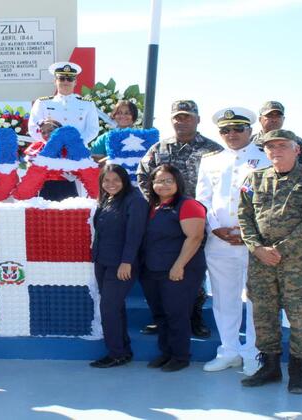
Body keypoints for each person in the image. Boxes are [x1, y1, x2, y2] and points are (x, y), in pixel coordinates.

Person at [238, 129, 302, 394]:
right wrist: (256, 248)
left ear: (296, 149)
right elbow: (244, 216)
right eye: (270, 147)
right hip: (261, 261)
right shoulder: (254, 179)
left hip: (297, 261)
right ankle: (269, 367)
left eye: (282, 146)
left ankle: (298, 371)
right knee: (264, 313)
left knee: (301, 315)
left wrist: (281, 248)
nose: (275, 151)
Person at [136, 99, 222, 338]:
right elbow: (144, 175)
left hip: (197, 218)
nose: (181, 121)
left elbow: (224, 184)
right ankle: (162, 318)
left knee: (192, 270)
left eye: (186, 116)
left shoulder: (213, 150)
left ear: (197, 119)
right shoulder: (159, 148)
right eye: (177, 117)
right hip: (166, 218)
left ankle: (193, 317)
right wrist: (157, 203)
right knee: (159, 269)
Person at [196, 107, 271, 376]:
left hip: (252, 242)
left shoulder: (264, 159)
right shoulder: (210, 161)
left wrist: (247, 232)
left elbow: (269, 202)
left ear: (250, 130)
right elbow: (202, 199)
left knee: (254, 298)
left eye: (238, 128)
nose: (232, 134)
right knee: (224, 298)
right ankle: (229, 350)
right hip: (219, 241)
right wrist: (215, 227)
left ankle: (252, 352)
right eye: (226, 130)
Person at [140, 164, 207, 372]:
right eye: (159, 181)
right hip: (153, 269)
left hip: (179, 270)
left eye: (169, 181)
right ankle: (166, 353)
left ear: (178, 183)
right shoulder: (152, 206)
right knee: (160, 313)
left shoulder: (188, 205)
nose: (163, 185)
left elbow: (195, 237)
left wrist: (179, 265)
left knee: (176, 313)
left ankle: (180, 356)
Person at [90, 164, 148, 368]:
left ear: (124, 180)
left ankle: (115, 353)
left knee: (108, 308)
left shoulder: (135, 201)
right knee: (114, 307)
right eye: (106, 180)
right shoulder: (108, 199)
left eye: (116, 180)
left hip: (121, 264)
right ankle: (122, 349)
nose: (110, 184)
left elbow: (135, 236)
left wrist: (127, 262)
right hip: (103, 261)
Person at [27, 62, 100, 145]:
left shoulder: (87, 104)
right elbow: (33, 127)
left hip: (78, 152)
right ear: (55, 81)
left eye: (70, 79)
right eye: (61, 78)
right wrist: (51, 143)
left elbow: (92, 129)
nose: (66, 82)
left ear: (75, 82)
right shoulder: (42, 103)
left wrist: (75, 144)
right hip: (50, 151)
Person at [23, 118, 81, 201]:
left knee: (68, 211)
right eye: (43, 132)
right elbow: (30, 168)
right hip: (46, 186)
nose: (47, 134)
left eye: (50, 130)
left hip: (66, 185)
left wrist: (74, 174)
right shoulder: (38, 147)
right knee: (46, 212)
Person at [251, 101, 302, 166]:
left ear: (283, 119)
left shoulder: (296, 141)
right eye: (269, 116)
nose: (274, 120)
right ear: (260, 119)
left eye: (278, 116)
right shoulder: (250, 142)